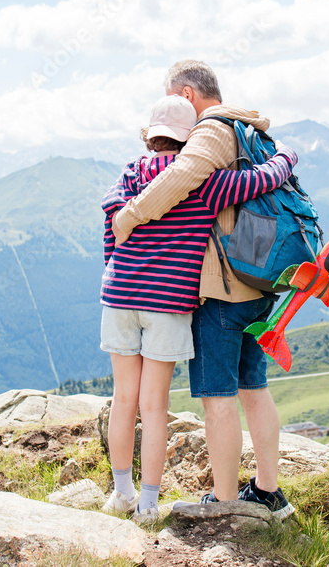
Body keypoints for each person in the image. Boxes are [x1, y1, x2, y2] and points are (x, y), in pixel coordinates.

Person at [111, 60, 296, 518]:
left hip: (221, 289)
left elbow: (178, 178)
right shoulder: (249, 129)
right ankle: (269, 493)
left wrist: (129, 216)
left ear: (187, 96)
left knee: (218, 400)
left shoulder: (211, 130)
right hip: (258, 279)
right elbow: (255, 182)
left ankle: (228, 503)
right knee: (254, 387)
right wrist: (287, 157)